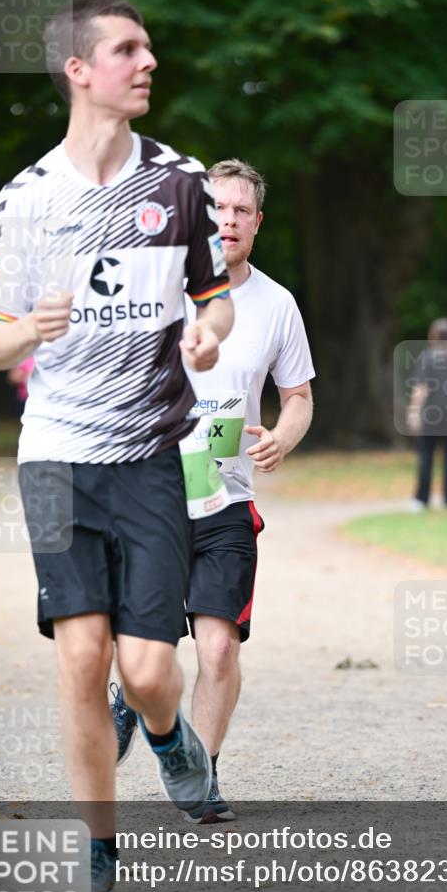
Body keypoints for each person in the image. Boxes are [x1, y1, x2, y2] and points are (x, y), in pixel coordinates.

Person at [0, 0, 234, 892]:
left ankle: (170, 740)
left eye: (150, 47)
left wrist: (206, 333)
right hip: (51, 455)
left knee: (149, 670)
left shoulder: (179, 179)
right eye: (128, 49)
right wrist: (26, 330)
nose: (148, 61)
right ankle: (99, 849)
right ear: (79, 70)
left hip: (149, 452)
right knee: (80, 658)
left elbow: (215, 296)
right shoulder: (27, 197)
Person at [110, 158, 315, 823]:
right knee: (150, 646)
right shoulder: (154, 288)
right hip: (153, 493)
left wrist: (283, 436)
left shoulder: (276, 303)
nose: (227, 220)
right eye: (216, 209)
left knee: (219, 645)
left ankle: (201, 775)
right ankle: (131, 695)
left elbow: (298, 396)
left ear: (256, 222)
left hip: (225, 497)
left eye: (240, 211)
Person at [407, 318, 447, 509]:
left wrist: (414, 412)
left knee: (426, 457)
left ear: (435, 336)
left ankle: (421, 499)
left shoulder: (430, 356)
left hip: (432, 415)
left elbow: (421, 388)